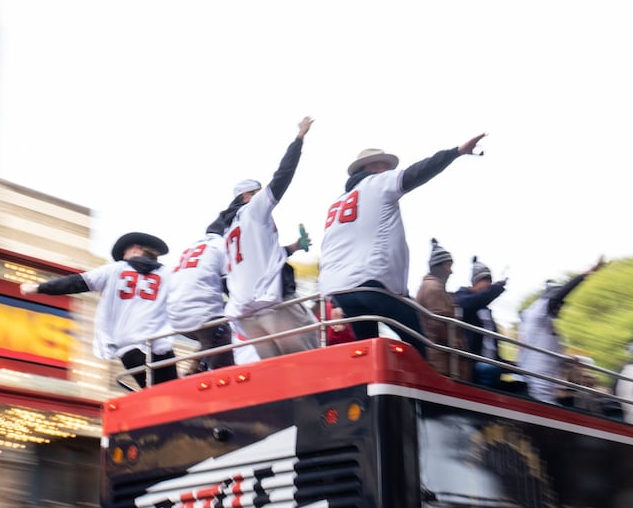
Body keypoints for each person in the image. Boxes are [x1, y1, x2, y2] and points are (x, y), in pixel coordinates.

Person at [318, 133, 486, 356]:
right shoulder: (377, 183)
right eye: (386, 166)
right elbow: (416, 173)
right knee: (420, 346)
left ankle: (377, 390)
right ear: (373, 167)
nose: (389, 170)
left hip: (338, 289)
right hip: (372, 283)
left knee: (369, 353)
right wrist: (455, 152)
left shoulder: (337, 203)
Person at [217, 117, 318, 362]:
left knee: (278, 371)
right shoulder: (253, 209)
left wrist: (292, 247)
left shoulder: (228, 229)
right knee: (313, 356)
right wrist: (299, 138)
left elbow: (254, 259)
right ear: (247, 196)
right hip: (273, 304)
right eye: (257, 192)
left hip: (245, 313)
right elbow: (283, 175)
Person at [20, 232, 177, 389]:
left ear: (136, 249)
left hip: (129, 347)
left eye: (125, 252)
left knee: (159, 395)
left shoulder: (114, 270)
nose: (123, 257)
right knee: (175, 394)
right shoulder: (168, 274)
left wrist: (37, 288)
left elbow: (76, 282)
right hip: (161, 346)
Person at [515, 257, 604, 403]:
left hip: (548, 383)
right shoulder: (539, 312)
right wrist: (585, 275)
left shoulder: (547, 323)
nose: (562, 308)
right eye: (560, 304)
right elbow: (560, 294)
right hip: (537, 382)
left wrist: (570, 359)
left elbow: (552, 352)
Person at [166, 228, 231, 374]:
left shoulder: (194, 247)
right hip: (201, 314)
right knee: (226, 343)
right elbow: (233, 286)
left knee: (217, 331)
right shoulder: (223, 245)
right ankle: (202, 374)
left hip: (175, 315)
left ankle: (195, 368)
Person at [453, 256, 508, 387]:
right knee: (489, 370)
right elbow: (474, 302)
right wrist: (497, 288)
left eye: (490, 280)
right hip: (473, 363)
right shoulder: (462, 298)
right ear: (475, 282)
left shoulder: (487, 311)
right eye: (485, 280)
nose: (488, 284)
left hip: (491, 362)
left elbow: (490, 341)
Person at [414, 239, 465, 380]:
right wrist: (455, 346)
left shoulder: (429, 286)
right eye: (449, 266)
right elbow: (438, 322)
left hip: (440, 359)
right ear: (441, 266)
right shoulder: (434, 288)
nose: (451, 271)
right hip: (442, 362)